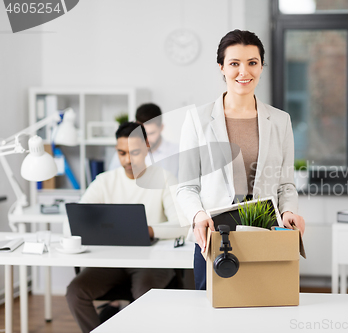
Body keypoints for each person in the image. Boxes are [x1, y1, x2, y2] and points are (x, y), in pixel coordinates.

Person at [176, 29, 305, 291]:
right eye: (234, 63)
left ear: (261, 66)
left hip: (265, 233)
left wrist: (289, 210)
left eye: (252, 63)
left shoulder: (280, 121)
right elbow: (187, 187)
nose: (243, 72)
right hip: (214, 234)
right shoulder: (197, 120)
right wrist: (198, 215)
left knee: (265, 307)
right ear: (221, 67)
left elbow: (285, 185)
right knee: (211, 312)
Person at [66, 122, 186, 333]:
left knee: (144, 294)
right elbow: (78, 217)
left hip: (151, 262)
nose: (127, 160)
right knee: (75, 291)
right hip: (110, 261)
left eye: (134, 152)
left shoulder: (164, 179)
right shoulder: (105, 181)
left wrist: (148, 230)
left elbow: (182, 226)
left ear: (147, 146)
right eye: (122, 153)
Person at [109, 103, 179, 178]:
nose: (147, 139)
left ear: (161, 127)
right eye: (142, 133)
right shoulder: (123, 153)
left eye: (151, 133)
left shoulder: (177, 153)